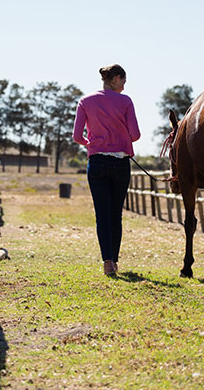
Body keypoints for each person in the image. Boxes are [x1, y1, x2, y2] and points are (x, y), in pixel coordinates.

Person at [72, 64, 141, 276]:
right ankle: (116, 260)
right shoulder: (126, 101)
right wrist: (119, 138)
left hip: (97, 162)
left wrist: (92, 143)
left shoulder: (85, 101)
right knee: (115, 214)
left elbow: (77, 136)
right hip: (120, 162)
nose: (125, 84)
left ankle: (107, 261)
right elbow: (135, 134)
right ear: (117, 78)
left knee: (102, 214)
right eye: (124, 80)